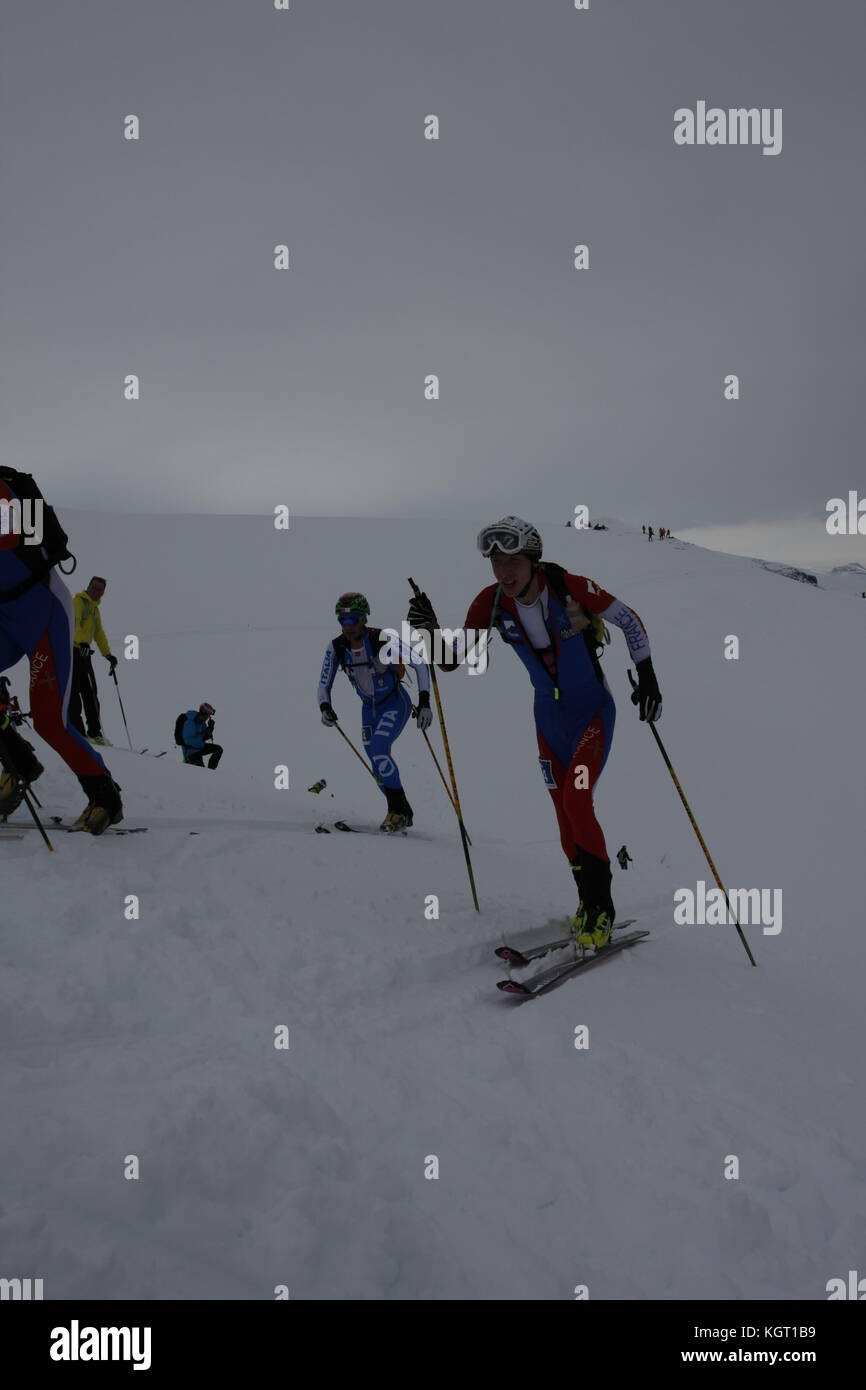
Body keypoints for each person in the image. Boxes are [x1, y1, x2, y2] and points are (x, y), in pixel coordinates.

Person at [407, 515, 662, 947]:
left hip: (592, 714)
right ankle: (585, 902)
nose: (504, 572)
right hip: (548, 721)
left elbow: (630, 620)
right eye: (496, 563)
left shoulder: (569, 587)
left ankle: (602, 909)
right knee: (564, 816)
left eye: (512, 562)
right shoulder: (490, 603)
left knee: (578, 800)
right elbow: (452, 659)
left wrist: (649, 677)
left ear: (532, 560)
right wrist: (430, 633)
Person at [0, 467, 123, 832]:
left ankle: (105, 797)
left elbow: (8, 538)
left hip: (44, 617)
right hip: (6, 618)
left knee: (51, 721)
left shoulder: (3, 492)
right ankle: (19, 762)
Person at [317, 592, 432, 832]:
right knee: (376, 762)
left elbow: (420, 663)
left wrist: (424, 702)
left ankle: (397, 812)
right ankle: (402, 811)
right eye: (342, 620)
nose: (347, 626)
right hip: (368, 710)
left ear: (364, 619)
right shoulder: (336, 647)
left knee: (379, 750)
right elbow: (323, 684)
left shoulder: (382, 638)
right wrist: (325, 707)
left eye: (353, 620)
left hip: (394, 702)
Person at [70, 576, 117, 745]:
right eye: (95, 588)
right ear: (88, 587)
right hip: (74, 651)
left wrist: (108, 654)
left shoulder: (95, 609)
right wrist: (82, 641)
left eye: (100, 590)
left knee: (90, 694)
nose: (97, 592)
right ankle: (78, 732)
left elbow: (98, 633)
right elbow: (75, 624)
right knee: (74, 693)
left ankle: (95, 733)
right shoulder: (78, 602)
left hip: (85, 654)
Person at [180, 703, 222, 768]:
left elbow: (205, 735)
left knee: (218, 749)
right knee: (200, 771)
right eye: (208, 715)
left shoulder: (201, 723)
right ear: (203, 713)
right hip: (191, 752)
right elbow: (188, 740)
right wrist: (202, 738)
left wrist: (210, 728)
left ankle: (210, 772)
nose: (208, 718)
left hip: (198, 748)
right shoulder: (190, 722)